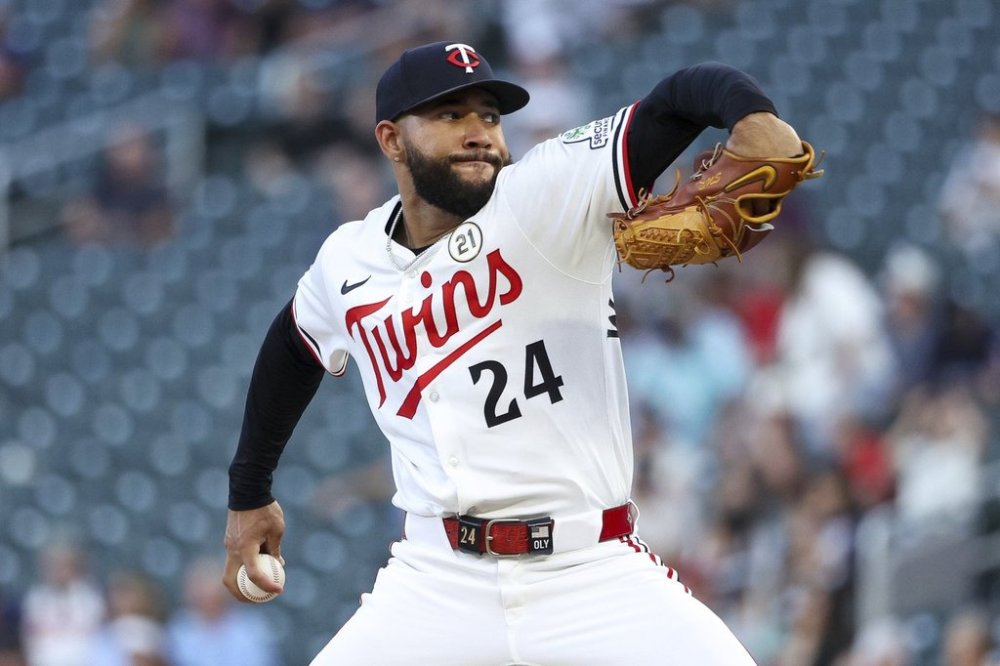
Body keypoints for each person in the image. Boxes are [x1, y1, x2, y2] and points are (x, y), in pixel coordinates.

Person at [223, 40, 805, 664]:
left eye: (491, 116)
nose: (479, 133)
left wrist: (752, 113)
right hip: (436, 579)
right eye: (451, 116)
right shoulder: (348, 259)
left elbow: (684, 97)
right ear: (391, 140)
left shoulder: (549, 192)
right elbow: (293, 344)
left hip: (590, 571)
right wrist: (249, 491)